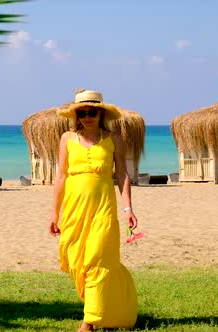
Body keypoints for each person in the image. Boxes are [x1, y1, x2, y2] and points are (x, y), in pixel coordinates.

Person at [49, 89, 139, 331]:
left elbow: (122, 174)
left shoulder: (114, 139)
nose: (87, 116)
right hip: (74, 209)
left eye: (91, 111)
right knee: (77, 262)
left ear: (101, 113)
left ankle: (88, 323)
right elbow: (60, 177)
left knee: (97, 260)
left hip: (103, 209)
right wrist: (55, 213)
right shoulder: (67, 138)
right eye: (82, 112)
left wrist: (128, 208)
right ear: (77, 115)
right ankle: (110, 311)